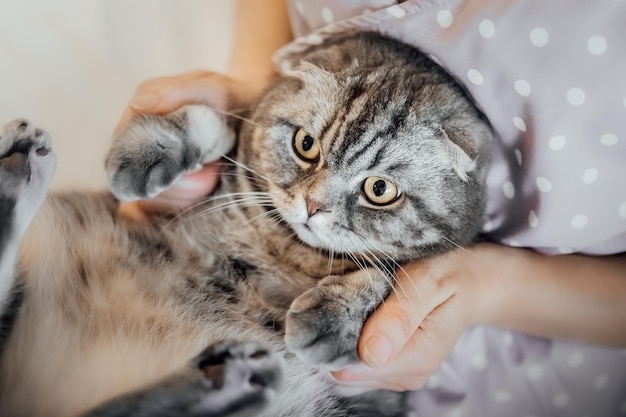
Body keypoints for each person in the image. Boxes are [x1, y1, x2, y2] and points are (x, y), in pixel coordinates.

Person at [115, 0, 626, 414]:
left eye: (379, 190)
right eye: (311, 155)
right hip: (284, 127)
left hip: (500, 348)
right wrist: (254, 97)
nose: (313, 204)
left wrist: (483, 288)